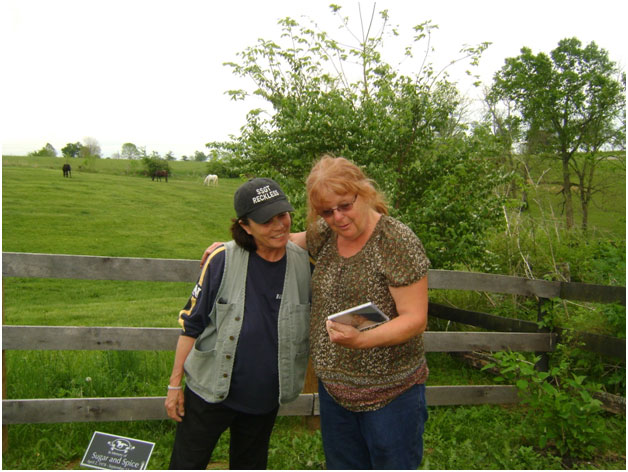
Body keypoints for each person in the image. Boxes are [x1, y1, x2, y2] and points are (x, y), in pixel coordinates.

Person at [202, 155, 430, 469]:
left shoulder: (396, 242)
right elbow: (280, 241)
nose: (338, 218)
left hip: (390, 396)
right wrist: (232, 247)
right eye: (326, 211)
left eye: (345, 206)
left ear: (364, 192)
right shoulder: (328, 232)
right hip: (335, 395)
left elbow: (415, 320)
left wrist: (361, 341)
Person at [166, 177, 311, 470]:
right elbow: (192, 325)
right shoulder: (222, 259)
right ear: (245, 226)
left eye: (283, 215)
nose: (279, 225)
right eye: (266, 220)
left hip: (264, 398)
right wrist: (174, 386)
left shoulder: (305, 265)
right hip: (208, 391)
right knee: (187, 463)